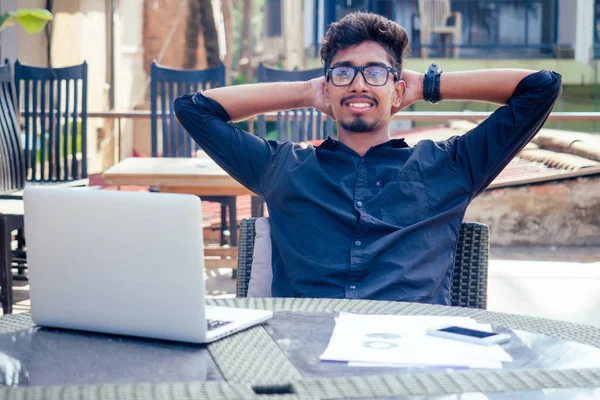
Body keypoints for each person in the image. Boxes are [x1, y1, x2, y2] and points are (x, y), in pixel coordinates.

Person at [174, 12, 562, 305]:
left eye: (375, 72)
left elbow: (540, 88)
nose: (359, 83)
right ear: (327, 90)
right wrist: (308, 91)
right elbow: (194, 109)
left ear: (398, 90)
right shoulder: (283, 167)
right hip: (302, 355)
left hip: (412, 360)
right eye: (343, 73)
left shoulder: (451, 165)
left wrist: (428, 84)